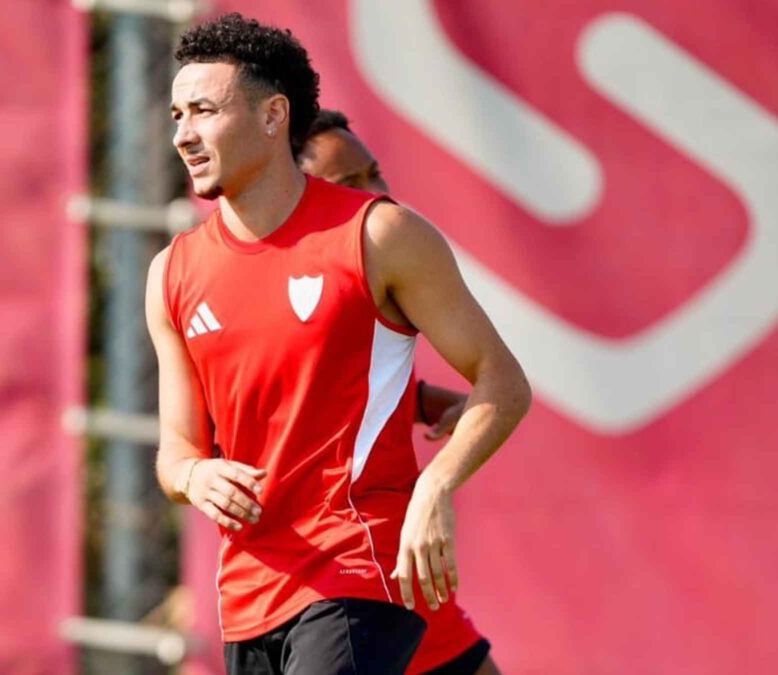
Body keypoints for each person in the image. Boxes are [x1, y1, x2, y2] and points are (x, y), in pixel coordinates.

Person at [146, 13, 531, 675]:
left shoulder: (381, 235)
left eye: (204, 111)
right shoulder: (171, 274)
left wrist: (435, 486)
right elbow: (178, 448)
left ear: (273, 115)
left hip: (361, 563)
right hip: (251, 592)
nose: (183, 134)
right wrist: (192, 475)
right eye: (178, 115)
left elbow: (503, 380)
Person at [300, 109, 504, 675]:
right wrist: (193, 472)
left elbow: (353, 391)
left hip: (392, 558)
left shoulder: (382, 259)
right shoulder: (249, 287)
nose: (376, 196)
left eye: (375, 173)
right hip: (314, 578)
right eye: (350, 183)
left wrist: (439, 410)